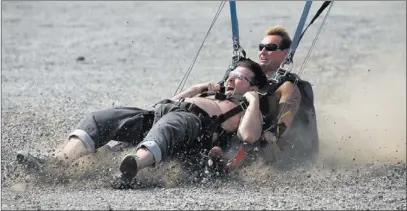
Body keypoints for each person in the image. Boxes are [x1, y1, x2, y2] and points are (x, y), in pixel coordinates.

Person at [16, 58, 268, 186]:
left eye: (239, 77)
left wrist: (253, 99)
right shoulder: (212, 93)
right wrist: (198, 88)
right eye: (230, 74)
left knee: (169, 125)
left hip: (191, 127)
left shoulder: (245, 107)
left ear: (253, 85)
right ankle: (57, 163)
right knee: (105, 117)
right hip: (163, 113)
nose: (231, 80)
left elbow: (248, 136)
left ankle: (133, 166)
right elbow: (170, 100)